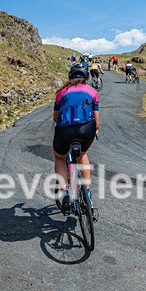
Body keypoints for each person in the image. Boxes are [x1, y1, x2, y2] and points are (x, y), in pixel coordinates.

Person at [53, 65, 99, 217]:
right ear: (86, 78)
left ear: (70, 77)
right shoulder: (92, 91)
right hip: (86, 129)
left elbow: (55, 118)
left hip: (65, 130)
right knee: (82, 155)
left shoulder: (61, 92)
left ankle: (64, 193)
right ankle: (86, 190)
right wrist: (96, 129)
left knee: (60, 158)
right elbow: (96, 118)